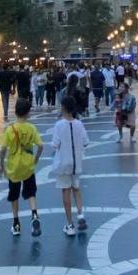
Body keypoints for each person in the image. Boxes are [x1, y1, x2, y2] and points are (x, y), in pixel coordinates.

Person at [0, 97, 43, 237]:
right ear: (28, 113)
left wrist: (1, 164)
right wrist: (35, 159)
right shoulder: (31, 128)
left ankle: (16, 224)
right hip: (28, 166)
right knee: (31, 193)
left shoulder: (10, 129)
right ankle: (34, 215)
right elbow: (41, 146)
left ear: (15, 112)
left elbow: (3, 149)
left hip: (14, 167)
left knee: (14, 196)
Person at [51, 94, 89, 235]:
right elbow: (86, 141)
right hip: (76, 162)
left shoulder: (59, 125)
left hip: (63, 162)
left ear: (63, 107)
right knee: (76, 189)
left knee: (65, 191)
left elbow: (55, 144)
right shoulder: (79, 124)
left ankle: (69, 224)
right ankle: (80, 215)